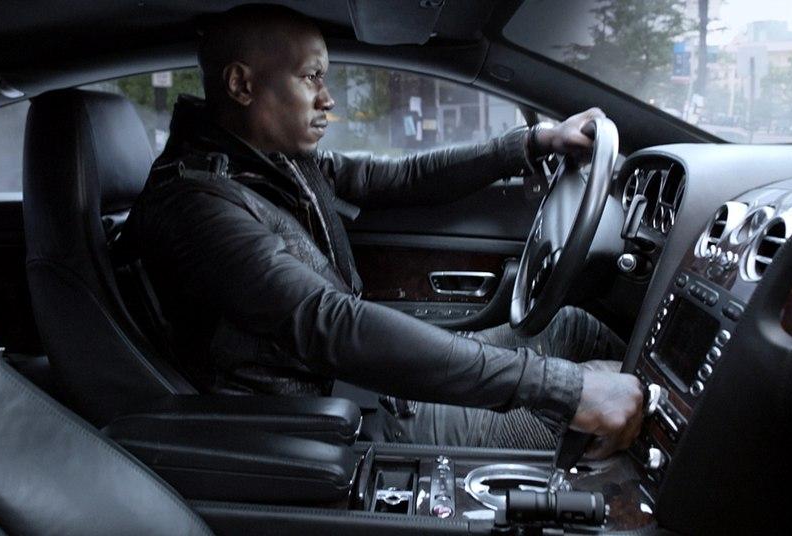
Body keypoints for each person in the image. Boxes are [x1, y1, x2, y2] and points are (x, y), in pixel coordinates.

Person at [124, 4, 643, 456]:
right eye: (311, 77)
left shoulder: (270, 164)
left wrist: (532, 142)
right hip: (336, 417)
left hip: (358, 383)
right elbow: (330, 323)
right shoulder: (197, 207)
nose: (328, 99)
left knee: (571, 328)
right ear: (242, 84)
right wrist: (562, 389)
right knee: (579, 417)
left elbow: (401, 176)